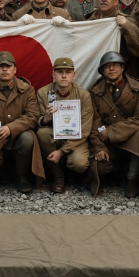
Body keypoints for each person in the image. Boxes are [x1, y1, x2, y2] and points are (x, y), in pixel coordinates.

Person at [0, 51, 44, 193]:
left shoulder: (27, 90)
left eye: (8, 66)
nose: (4, 69)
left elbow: (32, 116)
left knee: (27, 138)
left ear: (15, 69)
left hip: (18, 139)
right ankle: (1, 171)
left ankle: (21, 176)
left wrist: (11, 128)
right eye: (1, 66)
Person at [85, 52, 139, 198]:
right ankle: (115, 171)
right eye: (107, 66)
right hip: (106, 141)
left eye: (115, 65)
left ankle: (131, 179)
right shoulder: (95, 92)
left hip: (130, 139)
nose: (111, 69)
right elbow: (94, 123)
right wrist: (99, 147)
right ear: (102, 71)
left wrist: (112, 131)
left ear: (123, 68)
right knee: (100, 167)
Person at [35, 57, 94, 193]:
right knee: (42, 133)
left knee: (79, 163)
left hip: (75, 138)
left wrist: (61, 152)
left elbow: (85, 129)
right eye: (59, 72)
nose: (63, 75)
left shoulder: (83, 95)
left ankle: (71, 173)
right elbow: (36, 121)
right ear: (53, 74)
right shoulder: (43, 93)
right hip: (53, 135)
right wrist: (45, 119)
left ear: (73, 75)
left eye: (68, 72)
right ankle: (58, 176)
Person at [85, 0, 139, 76]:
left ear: (116, 1)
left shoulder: (127, 21)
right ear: (97, 0)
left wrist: (127, 26)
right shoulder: (89, 22)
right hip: (93, 74)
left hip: (120, 75)